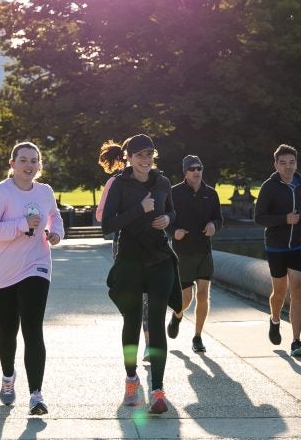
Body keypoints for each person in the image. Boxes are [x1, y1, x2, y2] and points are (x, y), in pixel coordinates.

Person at [0, 141, 63, 415]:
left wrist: (55, 234)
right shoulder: (1, 192)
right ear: (12, 163)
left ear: (39, 165)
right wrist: (21, 226)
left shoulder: (45, 192)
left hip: (36, 265)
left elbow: (54, 216)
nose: (29, 165)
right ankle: (7, 377)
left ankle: (36, 395)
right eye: (23, 160)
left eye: (34, 160)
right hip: (0, 272)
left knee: (33, 327)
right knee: (7, 330)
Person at [99, 134, 181, 415]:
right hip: (131, 260)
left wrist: (168, 219)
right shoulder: (120, 185)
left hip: (159, 258)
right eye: (140, 156)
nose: (145, 160)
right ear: (129, 158)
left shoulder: (163, 182)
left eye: (149, 155)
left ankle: (158, 390)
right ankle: (132, 379)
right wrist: (139, 210)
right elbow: (107, 226)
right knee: (132, 321)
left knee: (156, 321)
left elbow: (172, 211)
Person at [254, 144, 301, 357]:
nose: (288, 167)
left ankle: (296, 341)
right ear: (276, 165)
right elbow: (259, 218)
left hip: (299, 244)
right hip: (276, 247)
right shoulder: (269, 187)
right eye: (283, 163)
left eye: (291, 162)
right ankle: (274, 319)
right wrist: (284, 219)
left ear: (296, 163)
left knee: (297, 288)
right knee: (279, 292)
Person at [167, 155, 223, 353]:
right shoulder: (173, 193)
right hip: (183, 253)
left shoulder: (211, 193)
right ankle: (177, 316)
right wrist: (174, 232)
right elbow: (165, 220)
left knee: (202, 294)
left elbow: (218, 218)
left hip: (204, 252)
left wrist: (213, 225)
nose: (197, 172)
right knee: (186, 298)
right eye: (192, 169)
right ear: (185, 172)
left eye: (199, 168)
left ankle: (198, 337)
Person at [97, 173, 152, 363]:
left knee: (147, 296)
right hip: (124, 244)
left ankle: (149, 345)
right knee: (131, 294)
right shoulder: (115, 182)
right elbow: (101, 215)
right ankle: (132, 328)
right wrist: (133, 210)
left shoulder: (154, 181)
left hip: (150, 243)